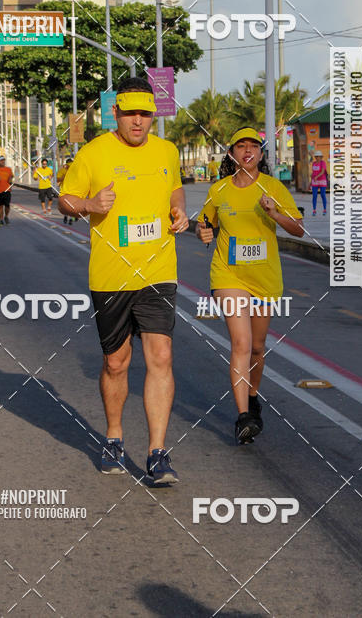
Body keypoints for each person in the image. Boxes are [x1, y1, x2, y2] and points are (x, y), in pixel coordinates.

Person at [59, 77, 189, 485]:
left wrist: (179, 211)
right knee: (116, 363)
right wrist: (89, 204)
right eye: (131, 113)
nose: (138, 121)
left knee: (161, 357)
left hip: (158, 270)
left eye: (145, 114)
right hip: (111, 276)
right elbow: (67, 198)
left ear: (153, 115)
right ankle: (114, 436)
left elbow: (175, 189)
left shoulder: (167, 150)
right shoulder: (94, 152)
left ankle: (157, 453)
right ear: (114, 112)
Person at [196, 127, 304, 444]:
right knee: (241, 343)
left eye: (253, 146)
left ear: (260, 154)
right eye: (240, 146)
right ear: (231, 154)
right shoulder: (219, 190)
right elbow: (206, 224)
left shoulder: (273, 188)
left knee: (257, 347)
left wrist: (274, 212)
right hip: (228, 276)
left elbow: (298, 229)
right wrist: (204, 233)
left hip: (264, 279)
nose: (247, 151)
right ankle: (244, 416)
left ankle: (253, 397)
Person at [57, 158, 77, 224]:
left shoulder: (75, 171)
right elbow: (58, 179)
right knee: (68, 204)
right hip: (66, 190)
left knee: (71, 204)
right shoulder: (63, 171)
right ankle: (68, 216)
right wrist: (64, 177)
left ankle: (71, 218)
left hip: (72, 190)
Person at [310, 150, 328, 216]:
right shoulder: (314, 163)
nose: (317, 157)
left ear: (321, 157)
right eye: (316, 156)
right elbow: (313, 172)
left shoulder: (323, 163)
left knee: (322, 194)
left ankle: (325, 209)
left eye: (319, 156)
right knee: (314, 196)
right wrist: (311, 179)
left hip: (322, 180)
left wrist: (317, 177)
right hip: (315, 181)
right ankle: (314, 210)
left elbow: (323, 171)